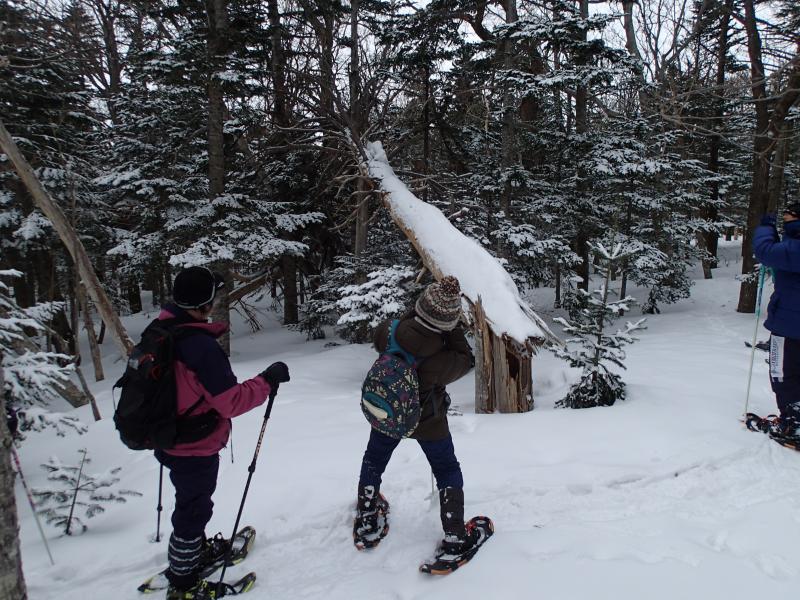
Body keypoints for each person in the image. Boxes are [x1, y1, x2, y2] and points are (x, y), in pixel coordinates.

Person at [156, 266, 290, 600]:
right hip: (194, 443)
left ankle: (191, 555)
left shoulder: (160, 330)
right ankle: (183, 583)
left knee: (188, 501)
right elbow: (231, 402)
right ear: (206, 303)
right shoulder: (199, 346)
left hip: (165, 437)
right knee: (194, 508)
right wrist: (267, 380)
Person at [353, 276, 477, 555]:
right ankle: (455, 533)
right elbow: (467, 360)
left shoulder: (389, 331)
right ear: (448, 321)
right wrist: (454, 327)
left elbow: (391, 333)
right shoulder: (443, 359)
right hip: (427, 421)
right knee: (446, 469)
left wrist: (415, 312)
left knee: (374, 459)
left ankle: (367, 512)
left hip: (387, 413)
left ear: (420, 307)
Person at [753, 202, 800, 437]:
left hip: (788, 327)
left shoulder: (793, 248)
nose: (785, 219)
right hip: (790, 324)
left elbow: (764, 251)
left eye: (788, 216)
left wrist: (765, 227)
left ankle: (794, 424)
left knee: (782, 373)